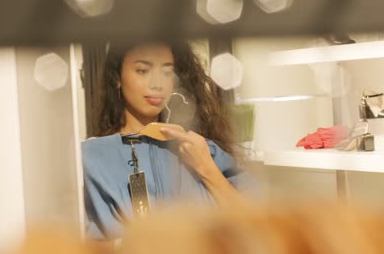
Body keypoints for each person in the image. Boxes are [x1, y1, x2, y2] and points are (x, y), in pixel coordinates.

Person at [82, 40, 255, 239]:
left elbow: (257, 225)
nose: (157, 84)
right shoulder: (91, 158)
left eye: (167, 72)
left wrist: (207, 169)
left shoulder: (199, 148)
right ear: (117, 78)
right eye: (142, 71)